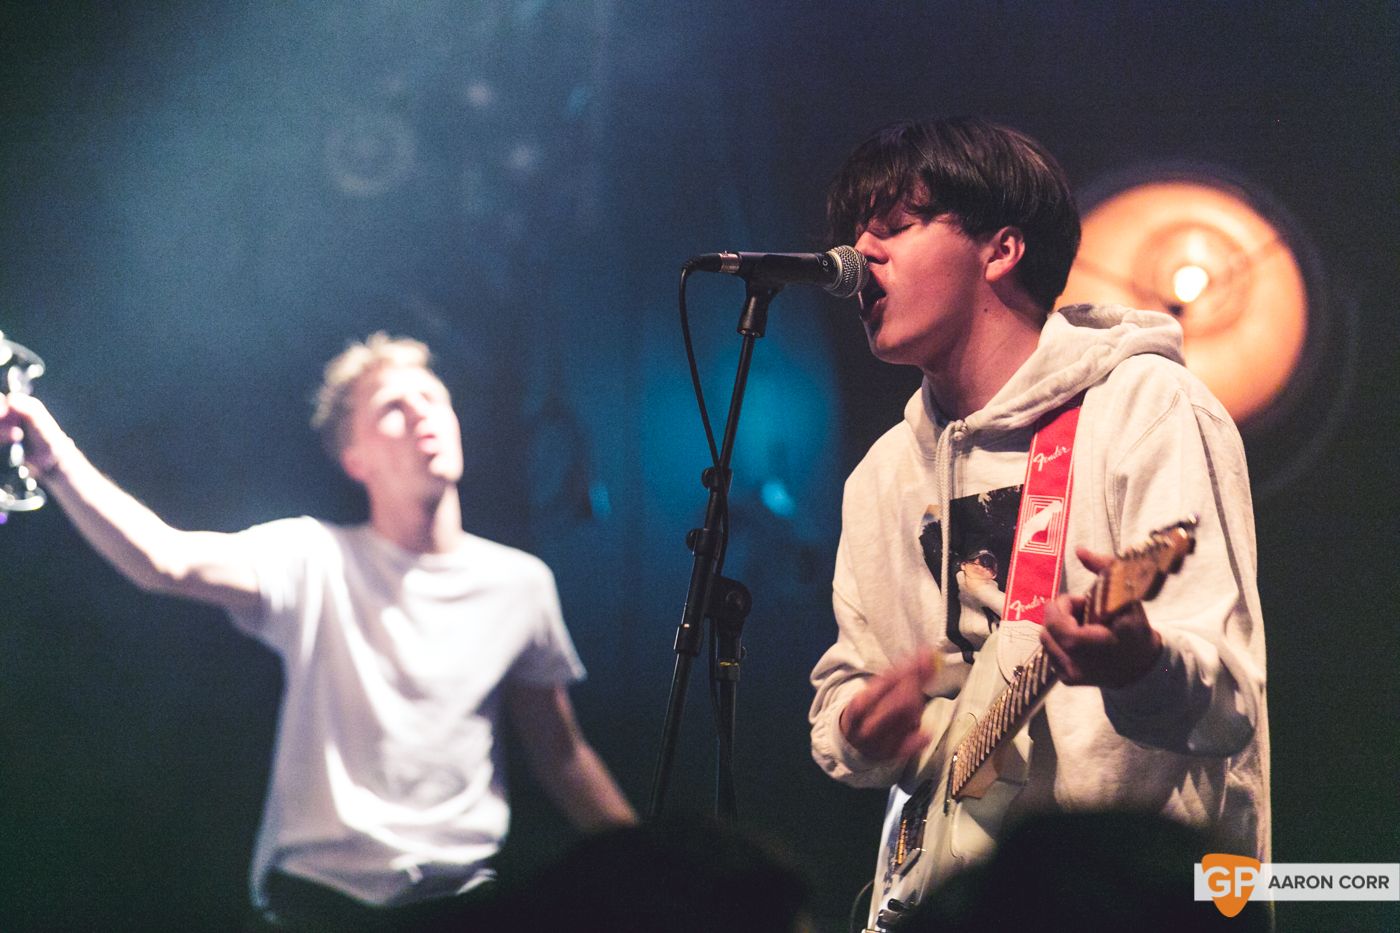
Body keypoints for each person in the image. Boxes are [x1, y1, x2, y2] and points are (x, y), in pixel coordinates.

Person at [0, 333, 637, 930]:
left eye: (433, 399)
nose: (422, 415)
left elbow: (562, 755)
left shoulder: (519, 584)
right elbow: (165, 560)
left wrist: (657, 866)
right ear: (353, 458)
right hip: (324, 902)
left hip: (465, 900)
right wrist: (55, 460)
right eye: (393, 406)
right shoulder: (315, 556)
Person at [807, 118, 1269, 916]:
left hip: (1140, 896)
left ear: (1001, 249)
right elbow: (845, 692)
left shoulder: (1148, 408)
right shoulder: (880, 475)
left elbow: (1230, 699)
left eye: (895, 227)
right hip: (956, 901)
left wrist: (1139, 664)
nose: (862, 256)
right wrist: (861, 726)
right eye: (856, 235)